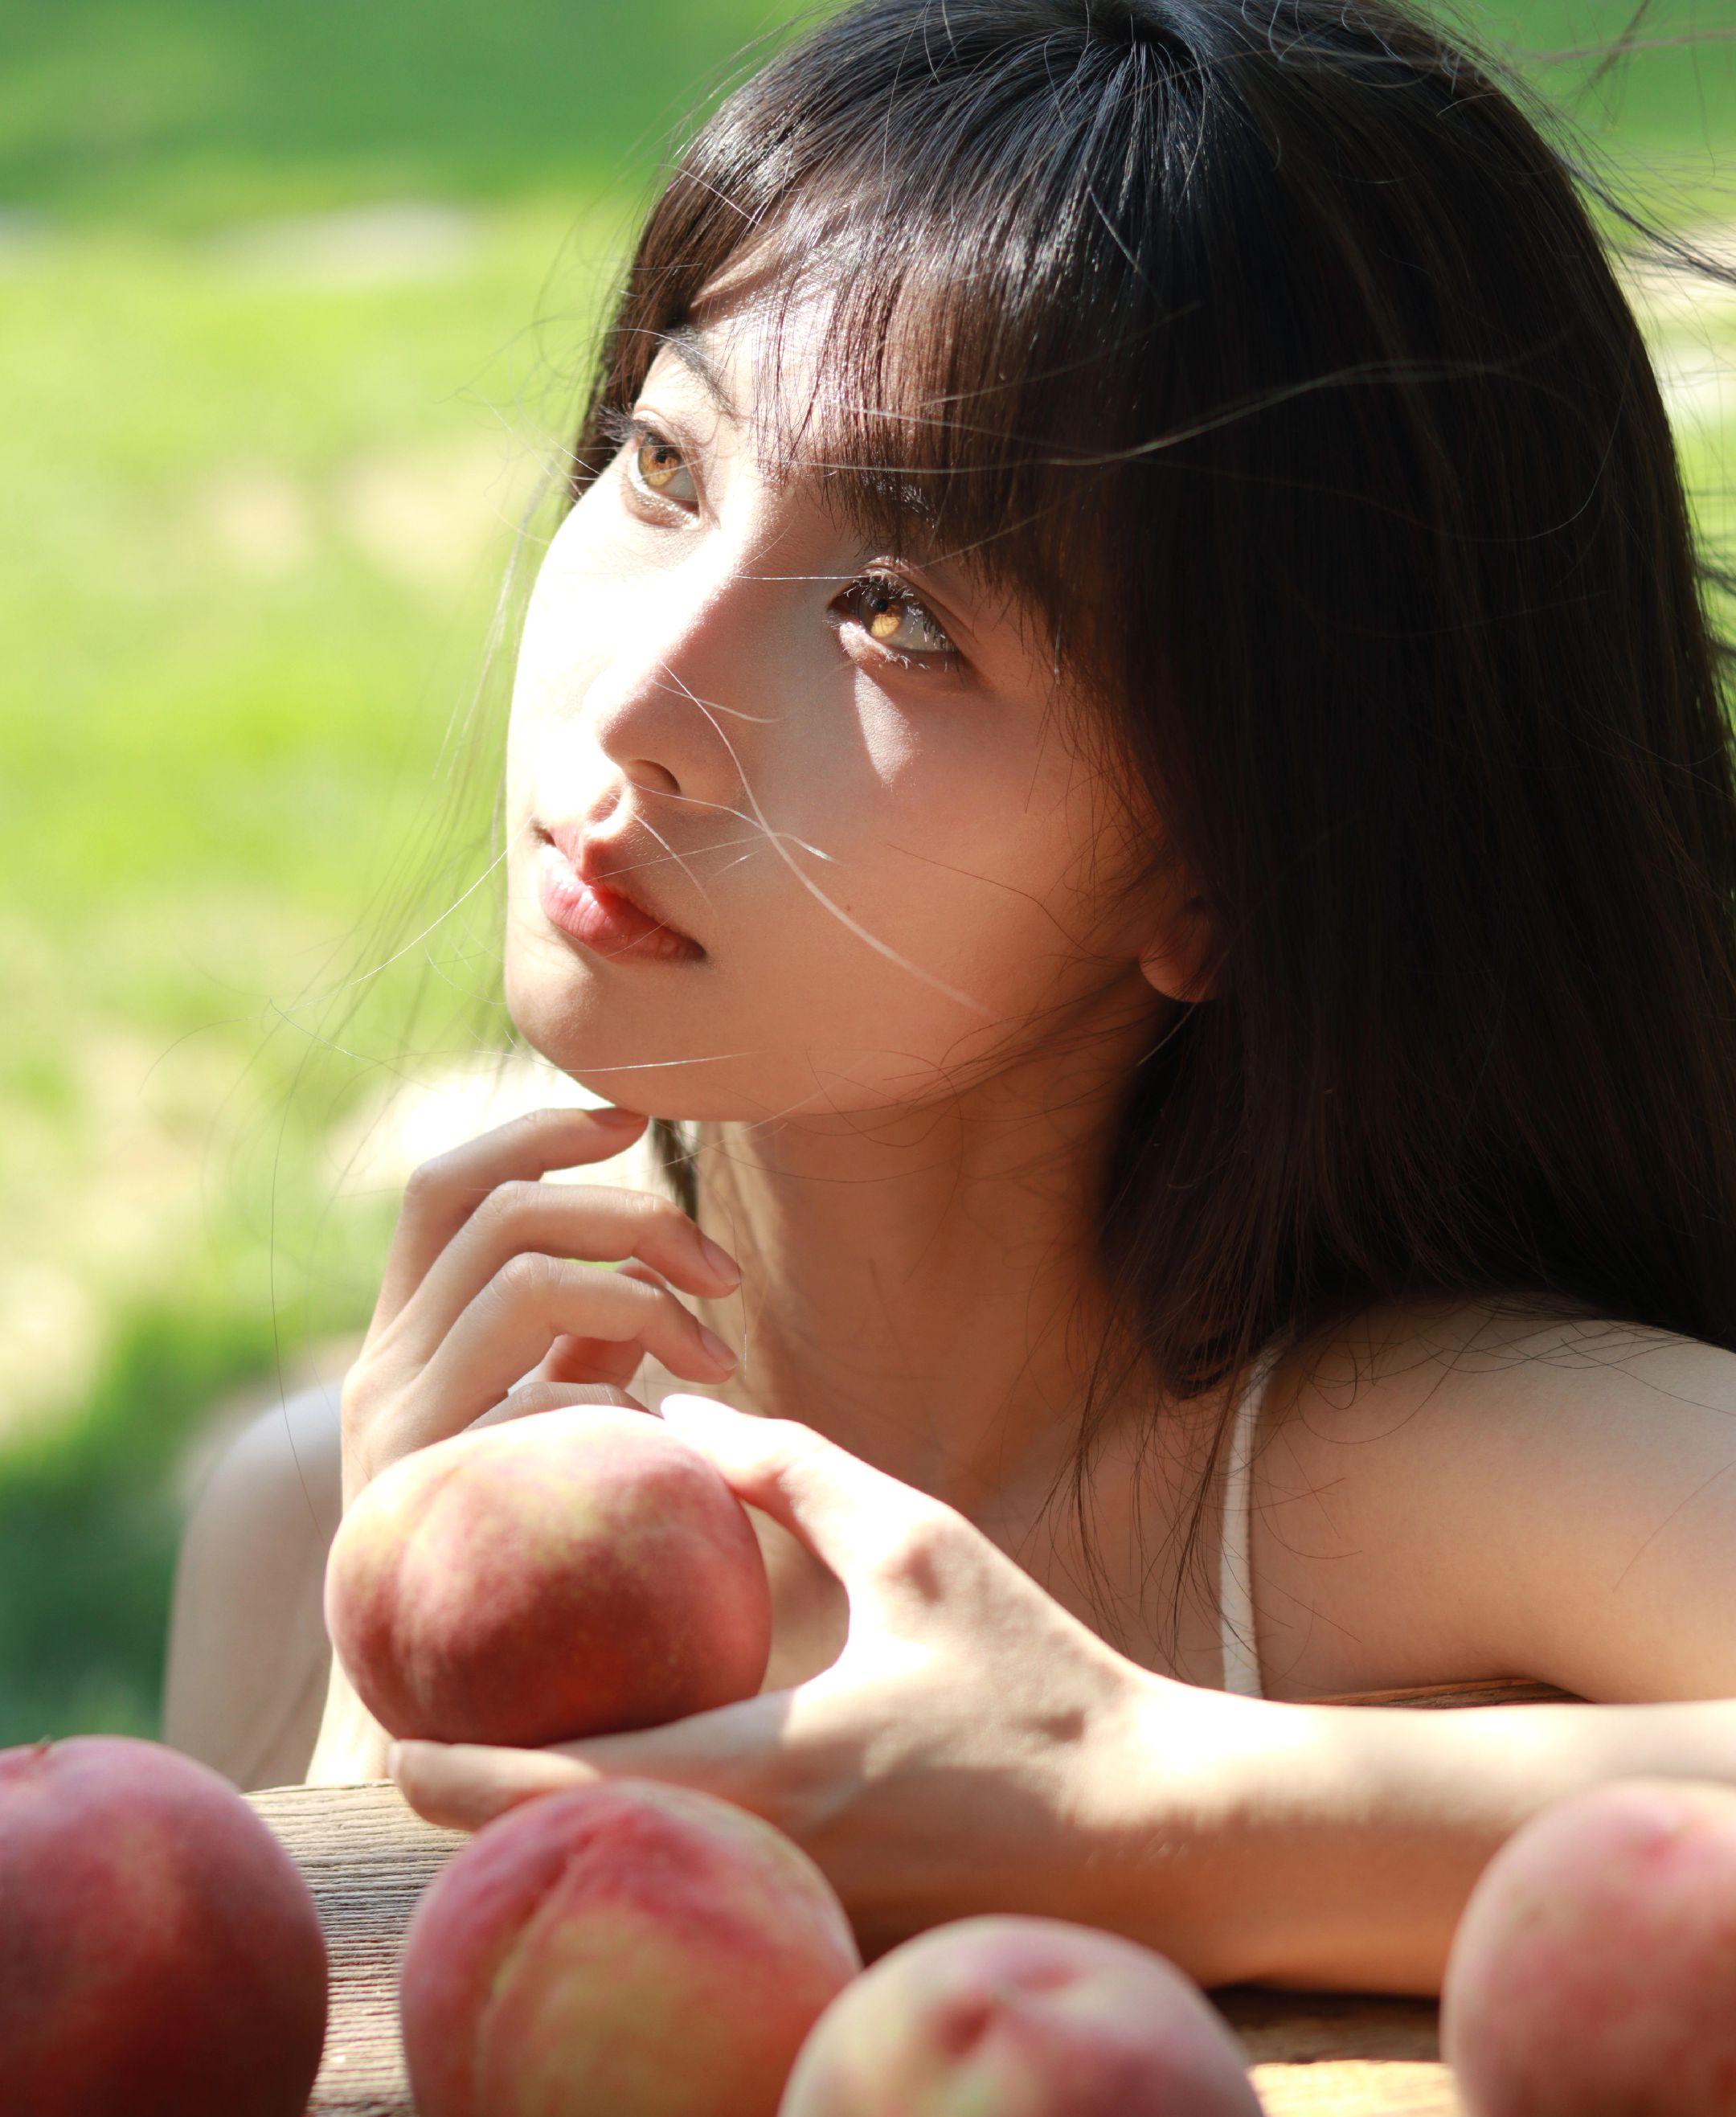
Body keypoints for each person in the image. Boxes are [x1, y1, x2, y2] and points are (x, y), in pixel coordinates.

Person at [166, 0, 1736, 1991]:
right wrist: (390, 1676)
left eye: (896, 616)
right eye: (665, 462)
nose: (641, 707)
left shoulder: (1386, 1478)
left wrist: (1143, 1807)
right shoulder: (314, 1510)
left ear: (1226, 870)